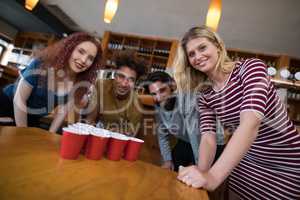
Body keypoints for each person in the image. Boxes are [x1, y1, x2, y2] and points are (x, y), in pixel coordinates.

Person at [174, 26, 300, 199]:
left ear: (218, 46)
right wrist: (201, 173)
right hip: (245, 163)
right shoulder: (205, 94)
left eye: (202, 48)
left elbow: (250, 124)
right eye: (191, 54)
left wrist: (212, 177)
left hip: (285, 164)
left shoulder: (250, 69)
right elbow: (208, 137)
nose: (197, 57)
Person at [0, 32, 102, 133]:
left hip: (33, 118)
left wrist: (50, 134)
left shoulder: (80, 83)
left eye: (90, 58)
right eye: (81, 51)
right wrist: (23, 132)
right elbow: (19, 99)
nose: (84, 60)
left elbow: (61, 113)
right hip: (7, 105)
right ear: (69, 48)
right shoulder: (42, 63)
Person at [145, 71, 200, 171]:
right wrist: (167, 161)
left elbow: (195, 137)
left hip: (205, 143)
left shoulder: (185, 102)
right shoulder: (159, 107)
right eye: (154, 94)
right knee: (170, 169)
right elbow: (162, 136)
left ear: (172, 86)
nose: (159, 98)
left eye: (162, 90)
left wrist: (199, 167)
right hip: (185, 142)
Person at [84, 50, 147, 136]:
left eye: (131, 80)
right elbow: (90, 120)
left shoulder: (136, 102)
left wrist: (115, 132)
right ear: (115, 74)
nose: (124, 84)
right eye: (121, 76)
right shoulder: (101, 85)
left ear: (136, 82)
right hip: (96, 135)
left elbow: (131, 134)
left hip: (119, 141)